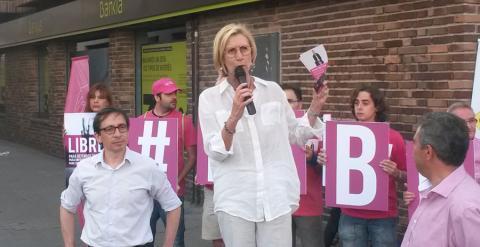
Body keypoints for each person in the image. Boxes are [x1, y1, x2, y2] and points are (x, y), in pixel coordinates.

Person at [198, 23, 328, 247]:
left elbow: (295, 134)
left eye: (244, 49)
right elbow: (216, 151)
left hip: (275, 195)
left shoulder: (273, 91)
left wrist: (315, 107)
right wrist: (234, 116)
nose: (239, 56)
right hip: (235, 201)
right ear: (221, 58)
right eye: (231, 51)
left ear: (252, 54)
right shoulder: (210, 98)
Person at [60, 107, 181, 247]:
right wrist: (69, 244)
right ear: (98, 136)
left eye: (122, 127)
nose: (117, 134)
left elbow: (173, 205)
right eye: (110, 129)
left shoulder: (148, 167)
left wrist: (168, 245)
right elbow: (67, 207)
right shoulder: (84, 169)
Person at [328, 85, 406, 247]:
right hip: (351, 213)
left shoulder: (394, 137)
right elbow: (332, 169)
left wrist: (396, 172)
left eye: (365, 103)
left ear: (376, 106)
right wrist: (325, 160)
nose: (359, 107)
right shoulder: (343, 135)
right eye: (356, 103)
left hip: (383, 215)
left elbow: (408, 176)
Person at [401, 112, 480, 247]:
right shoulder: (434, 192)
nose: (411, 149)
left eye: (414, 143)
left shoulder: (466, 208)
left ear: (428, 152)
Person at [142, 77, 196, 247]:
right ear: (157, 97)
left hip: (173, 192)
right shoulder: (141, 120)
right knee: (142, 239)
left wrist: (178, 179)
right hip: (146, 193)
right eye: (169, 94)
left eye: (175, 93)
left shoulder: (183, 121)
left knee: (176, 241)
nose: (174, 97)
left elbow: (193, 157)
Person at [404, 101, 480, 205]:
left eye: (471, 121)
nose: (468, 126)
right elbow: (425, 183)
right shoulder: (433, 149)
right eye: (462, 122)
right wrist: (415, 195)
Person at [282, 84, 324, 247]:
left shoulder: (316, 127)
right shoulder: (271, 128)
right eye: (282, 100)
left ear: (299, 104)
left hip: (308, 204)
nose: (285, 105)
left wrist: (312, 158)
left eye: (290, 101)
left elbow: (327, 169)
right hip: (280, 203)